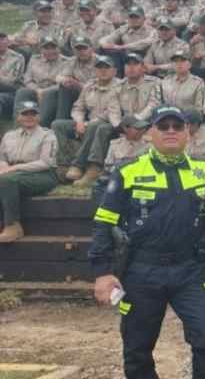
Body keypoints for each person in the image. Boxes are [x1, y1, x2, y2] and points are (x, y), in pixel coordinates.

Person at [89, 105, 205, 379]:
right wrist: (103, 273)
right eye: (162, 126)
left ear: (187, 133)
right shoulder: (128, 171)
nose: (170, 131)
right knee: (137, 347)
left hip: (189, 269)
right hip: (141, 270)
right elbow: (104, 224)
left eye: (176, 126)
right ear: (150, 132)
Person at [54, 55, 122, 188]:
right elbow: (78, 107)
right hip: (87, 123)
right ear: (95, 70)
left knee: (95, 125)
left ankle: (80, 165)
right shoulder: (89, 85)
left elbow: (114, 112)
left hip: (110, 124)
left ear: (114, 71)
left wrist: (87, 123)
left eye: (107, 67)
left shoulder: (121, 86)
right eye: (99, 67)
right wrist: (79, 121)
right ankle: (64, 164)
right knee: (58, 125)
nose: (103, 71)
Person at [0, 102, 58, 243]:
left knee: (7, 181)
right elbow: (2, 157)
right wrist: (3, 166)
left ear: (39, 117)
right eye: (25, 114)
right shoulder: (9, 136)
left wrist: (13, 169)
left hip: (42, 175)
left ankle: (13, 227)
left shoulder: (47, 135)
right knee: (6, 180)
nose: (29, 117)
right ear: (18, 117)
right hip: (13, 173)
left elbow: (46, 163)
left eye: (33, 114)